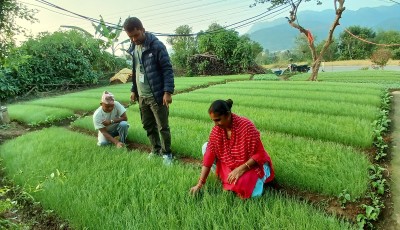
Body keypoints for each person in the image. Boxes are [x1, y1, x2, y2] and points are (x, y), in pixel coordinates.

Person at [190, 99, 275, 199]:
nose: (215, 124)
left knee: (248, 191)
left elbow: (260, 154)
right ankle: (226, 178)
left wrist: (241, 169)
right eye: (213, 121)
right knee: (206, 147)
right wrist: (200, 183)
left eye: (218, 120)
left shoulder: (246, 127)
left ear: (228, 114)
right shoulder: (217, 130)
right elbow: (208, 157)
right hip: (230, 164)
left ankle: (262, 177)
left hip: (251, 164)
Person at [123, 17, 175, 165]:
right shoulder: (133, 48)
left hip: (157, 94)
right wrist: (134, 89)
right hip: (142, 96)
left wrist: (168, 92)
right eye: (130, 37)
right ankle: (155, 149)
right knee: (147, 125)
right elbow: (135, 71)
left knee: (162, 126)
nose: (133, 39)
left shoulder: (156, 46)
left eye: (136, 35)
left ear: (142, 30)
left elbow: (167, 69)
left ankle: (167, 154)